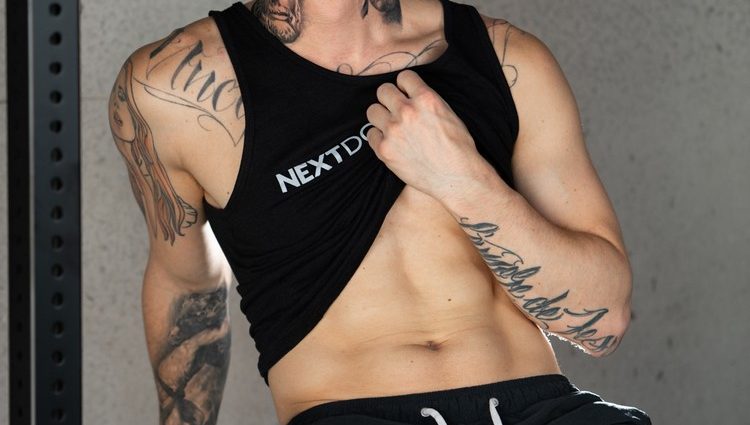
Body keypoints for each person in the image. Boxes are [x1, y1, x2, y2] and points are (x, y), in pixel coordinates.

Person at [108, 0, 651, 424]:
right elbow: (188, 285)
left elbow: (604, 320)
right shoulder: (175, 92)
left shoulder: (507, 58)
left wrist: (466, 182)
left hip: (543, 409)